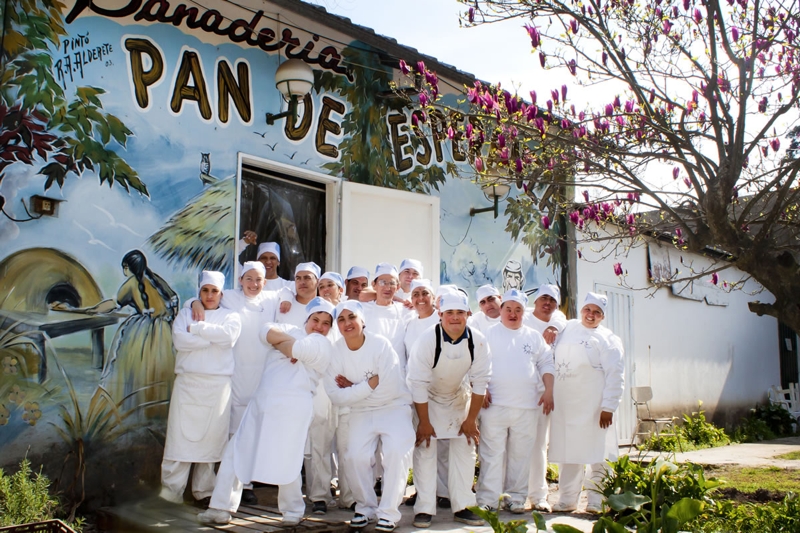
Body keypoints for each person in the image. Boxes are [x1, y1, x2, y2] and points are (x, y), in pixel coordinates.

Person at [198, 298, 335, 525]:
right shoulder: (292, 329)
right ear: (307, 320)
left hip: (293, 407)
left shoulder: (323, 345)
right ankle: (219, 508)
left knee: (287, 458)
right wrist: (289, 344)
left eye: (325, 323)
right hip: (262, 403)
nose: (319, 326)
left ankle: (292, 512)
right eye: (315, 320)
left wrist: (283, 345)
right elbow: (265, 332)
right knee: (236, 452)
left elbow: (293, 348)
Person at [188, 261, 280, 505]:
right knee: (224, 431)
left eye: (258, 279)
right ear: (240, 280)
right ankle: (218, 485)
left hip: (262, 375)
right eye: (248, 279)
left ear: (265, 281)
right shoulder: (229, 297)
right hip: (231, 374)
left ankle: (245, 483)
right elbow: (205, 295)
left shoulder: (272, 299)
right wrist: (193, 302)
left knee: (251, 430)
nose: (254, 284)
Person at [325, 301, 415, 533]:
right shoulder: (335, 351)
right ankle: (365, 507)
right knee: (354, 456)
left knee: (395, 453)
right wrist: (367, 385)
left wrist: (354, 389)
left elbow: (390, 388)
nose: (347, 323)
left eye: (351, 317)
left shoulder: (381, 345)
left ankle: (388, 513)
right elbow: (335, 395)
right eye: (341, 319)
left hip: (394, 407)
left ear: (363, 320)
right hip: (361, 412)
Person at [406, 291, 489, 528]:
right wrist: (423, 422)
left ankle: (463, 506)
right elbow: (418, 384)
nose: (455, 318)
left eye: (460, 313)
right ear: (440, 315)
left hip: (457, 397)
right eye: (449, 313)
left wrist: (471, 420)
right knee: (426, 448)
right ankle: (424, 508)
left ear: (468, 315)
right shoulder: (426, 340)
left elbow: (481, 382)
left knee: (465, 448)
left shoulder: (478, 341)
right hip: (427, 398)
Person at [159, 271, 242, 505]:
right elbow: (179, 341)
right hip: (188, 384)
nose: (209, 295)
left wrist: (196, 330)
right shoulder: (187, 313)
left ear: (221, 294)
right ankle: (170, 494)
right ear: (199, 292)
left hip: (217, 386)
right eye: (205, 290)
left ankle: (204, 491)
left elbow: (229, 337)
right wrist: (212, 339)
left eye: (214, 291)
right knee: (179, 441)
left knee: (211, 442)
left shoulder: (231, 315)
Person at [477, 289, 554, 513]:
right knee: (491, 454)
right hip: (494, 406)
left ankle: (516, 498)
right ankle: (488, 500)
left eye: (518, 310)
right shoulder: (487, 335)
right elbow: (475, 363)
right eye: (508, 309)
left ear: (523, 312)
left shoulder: (533, 336)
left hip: (527, 407)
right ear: (501, 311)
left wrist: (549, 390)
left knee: (521, 455)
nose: (513, 314)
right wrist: (480, 387)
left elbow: (546, 363)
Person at [549, 292, 625, 514]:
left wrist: (608, 407)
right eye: (587, 310)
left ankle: (597, 499)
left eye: (597, 312)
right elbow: (556, 319)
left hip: (595, 408)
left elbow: (615, 375)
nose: (591, 315)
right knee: (568, 453)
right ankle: (567, 499)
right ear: (581, 310)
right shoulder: (568, 328)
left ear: (602, 316)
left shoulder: (609, 340)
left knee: (597, 454)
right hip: (566, 406)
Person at [101, 249, 179, 415]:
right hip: (164, 330)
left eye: (125, 267)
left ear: (128, 267)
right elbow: (174, 299)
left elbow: (113, 304)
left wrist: (91, 310)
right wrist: (171, 320)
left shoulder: (132, 283)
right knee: (156, 369)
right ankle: (155, 409)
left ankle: (138, 410)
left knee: (138, 370)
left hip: (143, 332)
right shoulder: (155, 279)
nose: (124, 271)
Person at [524, 283, 568, 512]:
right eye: (543, 298)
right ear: (535, 301)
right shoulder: (523, 319)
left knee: (540, 445)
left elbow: (562, 318)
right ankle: (512, 493)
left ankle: (539, 495)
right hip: (520, 393)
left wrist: (555, 325)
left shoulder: (561, 323)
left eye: (552, 300)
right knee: (515, 444)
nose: (547, 303)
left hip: (546, 394)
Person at [361, 263, 410, 371]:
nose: (387, 287)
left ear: (397, 287)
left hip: (398, 375)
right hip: (370, 372)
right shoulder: (363, 310)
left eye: (392, 283)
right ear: (374, 285)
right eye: (382, 282)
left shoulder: (405, 310)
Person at [276, 262, 321, 327]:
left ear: (317, 282)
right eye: (298, 278)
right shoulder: (282, 304)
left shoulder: (323, 308)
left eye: (307, 278)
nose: (302, 282)